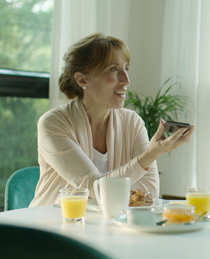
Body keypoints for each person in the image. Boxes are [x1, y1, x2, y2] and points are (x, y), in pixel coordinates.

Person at [29, 33, 194, 207]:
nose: (126, 80)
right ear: (82, 79)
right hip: (53, 225)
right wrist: (151, 155)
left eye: (126, 69)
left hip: (108, 226)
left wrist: (106, 188)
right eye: (113, 69)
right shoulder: (53, 123)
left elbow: (148, 191)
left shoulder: (133, 122)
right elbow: (96, 187)